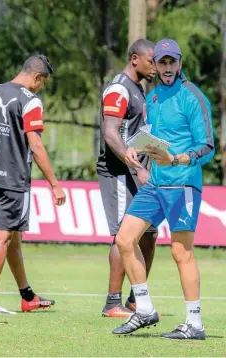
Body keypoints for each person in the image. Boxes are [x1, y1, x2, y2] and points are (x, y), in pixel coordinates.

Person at [112, 39, 214, 340]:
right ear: (154, 65)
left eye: (172, 61)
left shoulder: (194, 97)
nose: (167, 67)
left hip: (183, 183)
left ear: (179, 63)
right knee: (124, 239)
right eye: (162, 62)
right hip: (154, 184)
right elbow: (152, 138)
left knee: (181, 253)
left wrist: (177, 159)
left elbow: (207, 146)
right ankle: (144, 309)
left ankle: (194, 324)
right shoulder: (153, 98)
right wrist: (136, 152)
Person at [0, 55, 66, 314]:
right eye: (43, 83)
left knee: (13, 235)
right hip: (14, 179)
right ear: (37, 77)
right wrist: (55, 184)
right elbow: (36, 145)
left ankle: (27, 296)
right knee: (3, 235)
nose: (41, 87)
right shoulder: (30, 101)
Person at [97, 39, 158, 318]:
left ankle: (136, 298)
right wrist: (137, 166)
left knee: (149, 233)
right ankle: (112, 303)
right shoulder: (119, 88)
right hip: (119, 172)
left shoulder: (138, 90)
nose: (156, 67)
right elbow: (111, 133)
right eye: (151, 60)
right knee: (122, 237)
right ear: (135, 59)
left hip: (138, 171)